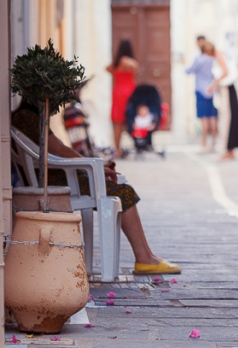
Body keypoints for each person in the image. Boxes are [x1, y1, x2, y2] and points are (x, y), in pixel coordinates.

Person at [12, 101, 181, 274]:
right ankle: (144, 258)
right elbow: (59, 150)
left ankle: (147, 256)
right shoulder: (28, 117)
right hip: (60, 183)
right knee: (124, 192)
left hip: (56, 178)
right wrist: (94, 166)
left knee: (120, 187)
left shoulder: (22, 116)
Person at [185, 39, 226, 152]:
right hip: (212, 90)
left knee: (204, 119)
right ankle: (213, 143)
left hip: (201, 90)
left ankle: (203, 144)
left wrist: (184, 67)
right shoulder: (213, 59)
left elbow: (190, 70)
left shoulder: (199, 59)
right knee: (213, 117)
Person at [106, 39, 138, 158]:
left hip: (117, 92)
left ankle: (117, 149)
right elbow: (135, 65)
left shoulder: (116, 63)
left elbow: (107, 68)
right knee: (129, 118)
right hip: (128, 92)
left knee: (117, 122)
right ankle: (136, 144)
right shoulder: (126, 61)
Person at [219, 49, 238, 161]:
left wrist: (214, 84)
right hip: (228, 89)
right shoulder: (227, 56)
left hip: (227, 89)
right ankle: (229, 150)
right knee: (229, 120)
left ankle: (229, 150)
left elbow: (225, 72)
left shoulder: (220, 55)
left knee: (228, 120)